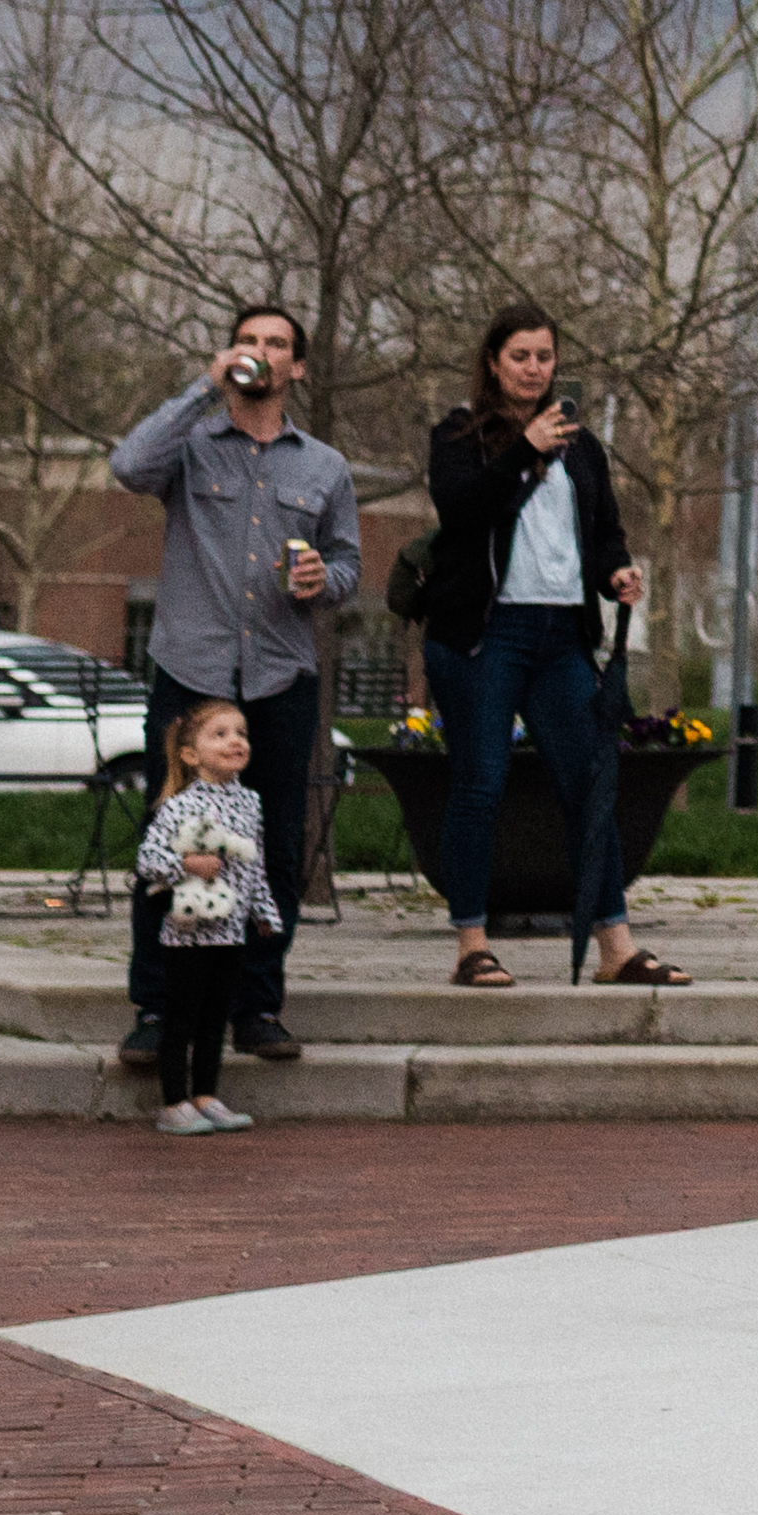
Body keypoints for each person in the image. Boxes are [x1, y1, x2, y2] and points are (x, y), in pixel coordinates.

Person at [111, 306, 355, 1066]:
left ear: (299, 367)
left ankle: (257, 1006)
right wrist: (202, 387)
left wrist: (322, 580)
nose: (261, 353)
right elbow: (127, 467)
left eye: (276, 344)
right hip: (193, 670)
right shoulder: (189, 445)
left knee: (274, 849)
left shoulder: (325, 467)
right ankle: (158, 1009)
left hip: (280, 677)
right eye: (248, 341)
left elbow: (348, 569)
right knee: (171, 843)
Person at [413, 309, 679, 992]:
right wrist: (523, 450)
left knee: (591, 782)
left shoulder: (581, 445)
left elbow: (603, 531)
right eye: (520, 356)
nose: (534, 368)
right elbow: (462, 508)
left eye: (544, 356)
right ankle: (472, 943)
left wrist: (615, 570)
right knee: (481, 782)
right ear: (494, 361)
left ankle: (616, 946)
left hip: (562, 634)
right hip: (484, 632)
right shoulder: (460, 435)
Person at [132, 698, 287, 1133]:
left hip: (230, 932)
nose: (235, 741)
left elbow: (254, 866)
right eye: (220, 734)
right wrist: (188, 865)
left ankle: (205, 1094)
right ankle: (172, 1102)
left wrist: (265, 913)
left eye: (240, 733)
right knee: (182, 1014)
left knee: (215, 1017)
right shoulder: (179, 805)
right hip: (187, 933)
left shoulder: (251, 803)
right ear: (190, 754)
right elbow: (148, 860)